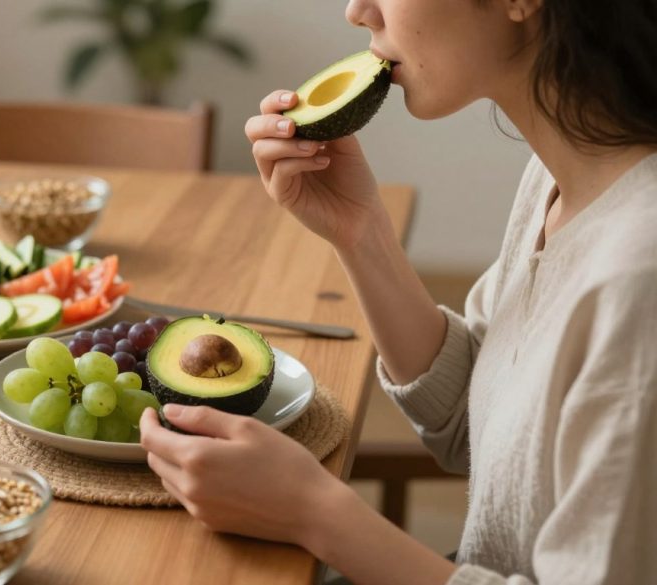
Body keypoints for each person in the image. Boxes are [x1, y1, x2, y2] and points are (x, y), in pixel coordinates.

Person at [138, 0, 657, 582]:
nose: (357, 11)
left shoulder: (639, 280)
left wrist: (317, 513)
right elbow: (476, 424)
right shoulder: (562, 175)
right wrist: (361, 234)